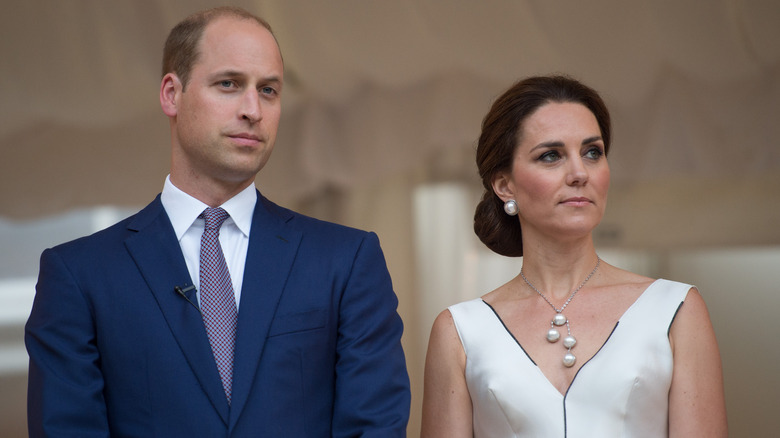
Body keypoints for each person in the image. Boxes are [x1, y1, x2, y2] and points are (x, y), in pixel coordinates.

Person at [25, 6, 410, 437]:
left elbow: (375, 427)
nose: (253, 109)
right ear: (172, 93)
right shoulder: (78, 274)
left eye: (268, 90)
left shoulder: (347, 260)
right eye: (229, 84)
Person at [420, 75, 727, 437]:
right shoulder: (460, 331)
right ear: (505, 185)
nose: (580, 173)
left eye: (592, 152)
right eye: (551, 155)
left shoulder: (676, 309)